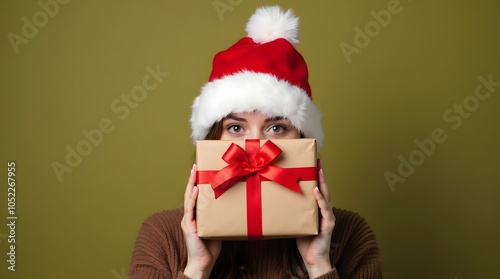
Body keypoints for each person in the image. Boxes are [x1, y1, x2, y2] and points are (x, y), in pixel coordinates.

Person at [129, 5, 382, 279]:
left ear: (303, 140)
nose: (255, 148)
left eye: (276, 127)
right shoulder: (162, 235)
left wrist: (318, 264)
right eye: (236, 127)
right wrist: (197, 268)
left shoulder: (350, 235)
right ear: (213, 139)